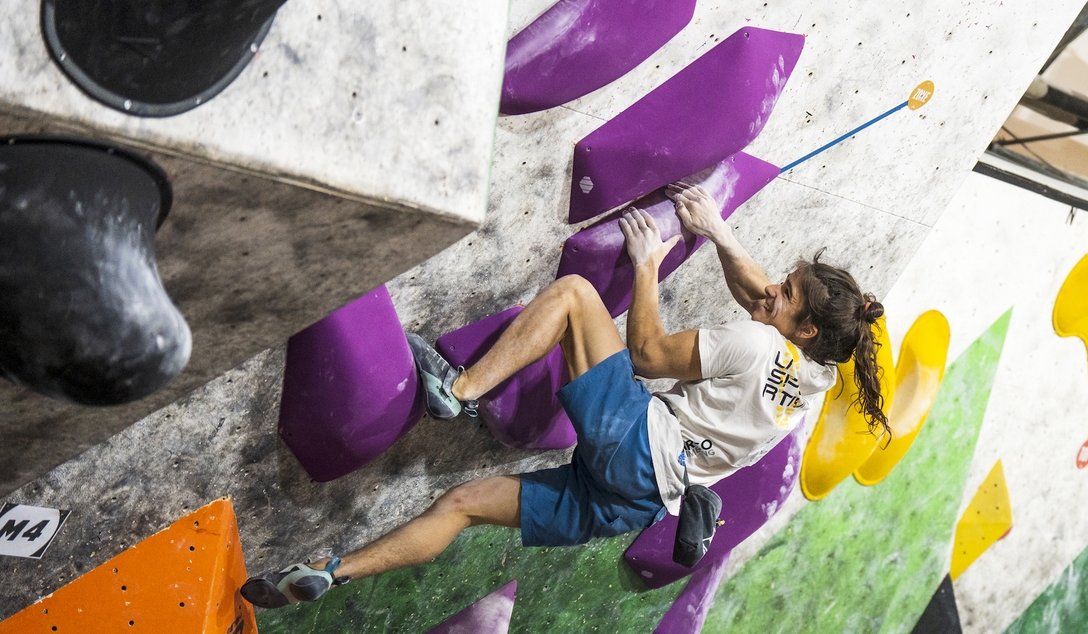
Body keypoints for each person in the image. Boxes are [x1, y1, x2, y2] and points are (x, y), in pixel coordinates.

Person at [241, 184, 888, 608]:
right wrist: (720, 234)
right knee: (463, 505)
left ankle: (458, 389)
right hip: (638, 503)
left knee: (577, 295)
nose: (770, 288)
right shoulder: (811, 382)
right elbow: (758, 298)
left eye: (788, 291)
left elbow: (649, 355)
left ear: (802, 327)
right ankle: (333, 572)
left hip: (637, 449)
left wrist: (644, 263)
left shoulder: (754, 346)